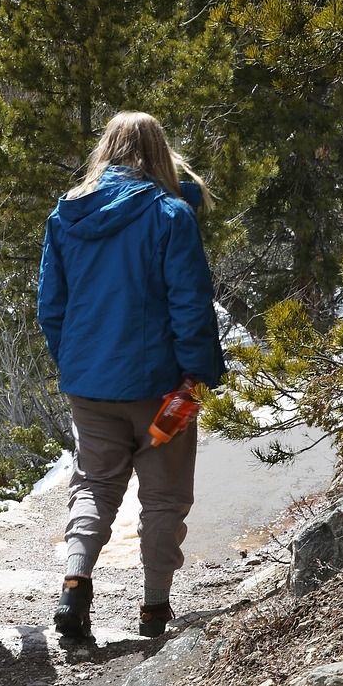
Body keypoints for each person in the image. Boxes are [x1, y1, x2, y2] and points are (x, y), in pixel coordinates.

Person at [37, 111, 225, 640]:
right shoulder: (169, 214)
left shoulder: (66, 213)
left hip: (88, 381)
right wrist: (197, 373)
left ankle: (75, 583)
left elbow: (51, 306)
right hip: (159, 384)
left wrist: (73, 359)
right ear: (160, 151)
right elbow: (191, 306)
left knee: (94, 484)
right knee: (163, 497)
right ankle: (154, 609)